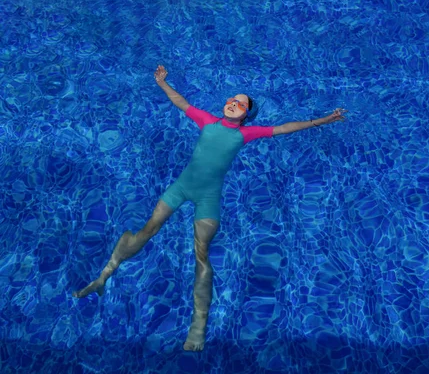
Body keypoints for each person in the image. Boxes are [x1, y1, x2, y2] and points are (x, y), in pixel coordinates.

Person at [72, 65, 347, 351]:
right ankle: (104, 275)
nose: (233, 103)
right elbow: (181, 102)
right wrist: (162, 83)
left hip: (208, 198)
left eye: (241, 103)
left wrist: (324, 120)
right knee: (146, 231)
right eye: (232, 99)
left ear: (246, 115)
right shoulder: (207, 121)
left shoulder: (247, 134)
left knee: (201, 255)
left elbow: (286, 128)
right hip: (179, 188)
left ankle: (198, 325)